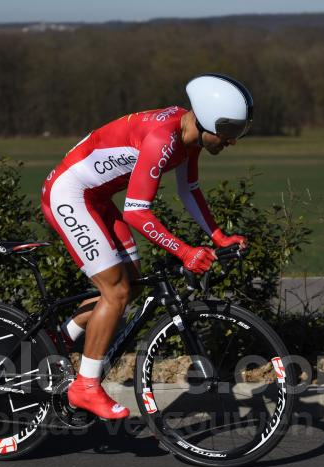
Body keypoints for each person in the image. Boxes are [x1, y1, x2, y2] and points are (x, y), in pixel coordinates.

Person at [41, 73, 252, 419]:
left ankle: (61, 340)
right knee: (116, 291)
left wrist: (218, 236)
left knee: (130, 286)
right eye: (228, 132)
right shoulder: (162, 139)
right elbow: (137, 212)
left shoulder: (188, 135)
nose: (231, 141)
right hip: (70, 194)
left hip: (96, 198)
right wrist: (185, 251)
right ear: (208, 119)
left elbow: (190, 191)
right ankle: (85, 386)